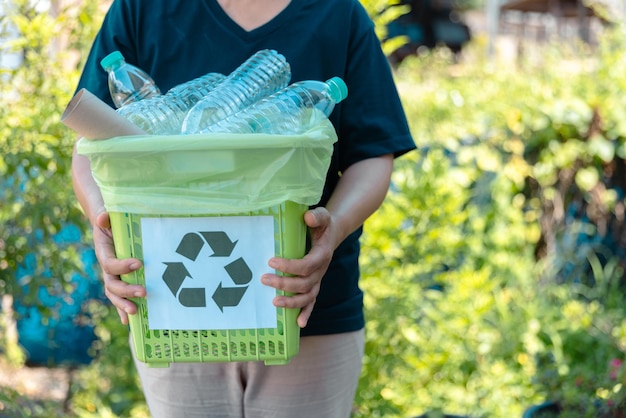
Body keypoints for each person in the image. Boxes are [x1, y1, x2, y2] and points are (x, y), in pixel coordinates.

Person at [71, 0, 416, 417]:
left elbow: (372, 154)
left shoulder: (338, 14)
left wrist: (335, 228)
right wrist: (103, 225)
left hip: (304, 309)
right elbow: (90, 145)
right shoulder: (143, 8)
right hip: (169, 305)